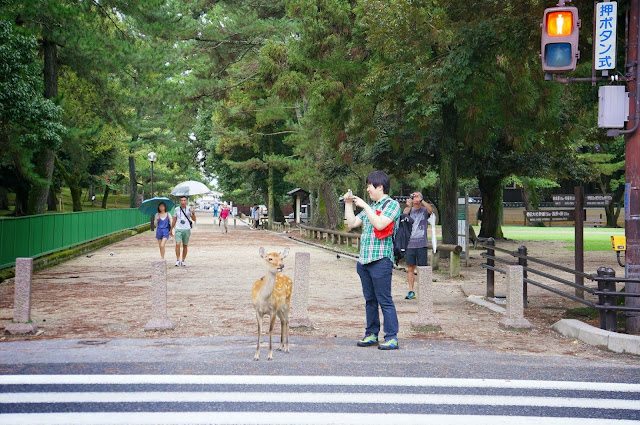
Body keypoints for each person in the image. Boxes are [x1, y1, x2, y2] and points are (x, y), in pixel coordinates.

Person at [344, 170, 402, 350]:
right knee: (370, 300)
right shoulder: (371, 206)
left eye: (370, 185)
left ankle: (391, 337)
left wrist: (365, 207)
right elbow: (351, 224)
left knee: (384, 299)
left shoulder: (392, 205)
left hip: (381, 259)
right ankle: (371, 334)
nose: (367, 189)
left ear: (380, 186)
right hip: (364, 261)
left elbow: (380, 224)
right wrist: (348, 204)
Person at [402, 192, 434, 300]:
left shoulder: (424, 210)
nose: (415, 198)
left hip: (422, 243)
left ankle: (424, 292)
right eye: (414, 197)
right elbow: (403, 217)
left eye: (417, 196)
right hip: (410, 244)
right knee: (410, 268)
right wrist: (409, 206)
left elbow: (430, 210)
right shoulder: (409, 210)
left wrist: (422, 200)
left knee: (423, 268)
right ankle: (411, 290)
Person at [172, 196, 196, 267]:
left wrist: (193, 212)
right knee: (178, 244)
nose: (183, 202)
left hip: (187, 229)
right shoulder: (176, 209)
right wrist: (171, 229)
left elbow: (194, 219)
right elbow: (174, 220)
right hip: (179, 228)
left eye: (184, 200)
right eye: (181, 201)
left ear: (187, 201)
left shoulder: (189, 209)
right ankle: (177, 259)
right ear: (180, 202)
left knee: (185, 245)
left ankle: (183, 260)